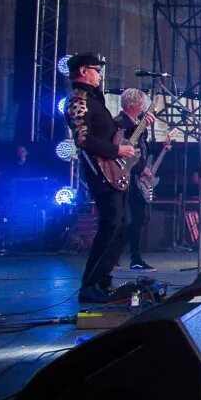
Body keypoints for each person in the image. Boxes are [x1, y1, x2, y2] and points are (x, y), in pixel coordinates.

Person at [65, 53, 137, 303]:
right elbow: (83, 139)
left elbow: (107, 131)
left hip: (114, 169)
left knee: (120, 225)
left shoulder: (96, 98)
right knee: (110, 225)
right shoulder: (78, 99)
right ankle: (90, 283)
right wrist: (117, 151)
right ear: (84, 71)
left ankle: (103, 281)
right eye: (96, 70)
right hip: (101, 172)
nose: (100, 74)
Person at [115, 88, 156, 271]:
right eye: (142, 103)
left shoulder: (134, 123)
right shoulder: (119, 123)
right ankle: (126, 257)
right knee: (124, 218)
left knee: (140, 216)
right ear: (136, 104)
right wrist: (141, 168)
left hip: (135, 177)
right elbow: (126, 151)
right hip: (124, 176)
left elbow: (139, 147)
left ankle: (132, 257)